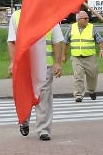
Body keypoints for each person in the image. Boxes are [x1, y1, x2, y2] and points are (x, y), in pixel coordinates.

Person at [7, 9, 63, 141]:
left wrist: (58, 62)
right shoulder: (17, 16)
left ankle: (43, 130)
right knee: (25, 93)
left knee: (44, 97)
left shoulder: (50, 15)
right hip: (24, 66)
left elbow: (57, 41)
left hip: (45, 64)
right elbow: (12, 41)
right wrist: (12, 63)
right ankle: (24, 120)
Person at [62, 10, 103, 102]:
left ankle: (92, 90)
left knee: (93, 75)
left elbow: (100, 40)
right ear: (78, 20)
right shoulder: (71, 28)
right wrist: (64, 55)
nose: (87, 20)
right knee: (78, 76)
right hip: (76, 57)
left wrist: (101, 50)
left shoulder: (92, 27)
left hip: (90, 57)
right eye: (85, 18)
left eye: (88, 18)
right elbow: (65, 42)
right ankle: (78, 95)